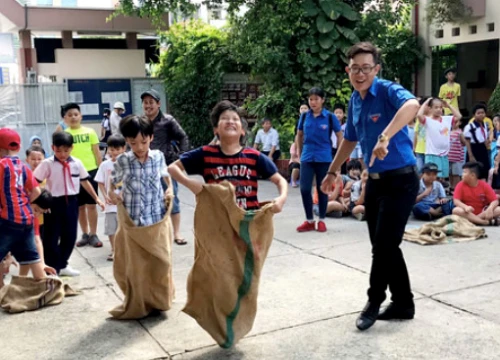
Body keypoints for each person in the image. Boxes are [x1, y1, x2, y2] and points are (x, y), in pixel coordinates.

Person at [321, 42, 420, 331]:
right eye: (355, 68)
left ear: (376, 69)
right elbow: (349, 139)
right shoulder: (354, 100)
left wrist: (386, 136)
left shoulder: (388, 90)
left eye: (366, 68)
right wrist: (332, 171)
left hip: (401, 179)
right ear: (347, 70)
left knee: (384, 246)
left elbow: (412, 105)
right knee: (385, 245)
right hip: (375, 182)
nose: (360, 74)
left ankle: (374, 301)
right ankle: (403, 303)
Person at [168, 100, 287, 214]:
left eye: (235, 119)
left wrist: (281, 199)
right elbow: (172, 168)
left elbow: (280, 180)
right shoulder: (206, 154)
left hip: (248, 224)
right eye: (224, 118)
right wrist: (191, 184)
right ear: (215, 130)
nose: (230, 121)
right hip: (218, 225)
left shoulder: (254, 156)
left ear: (242, 130)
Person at [35, 132, 104, 276]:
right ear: (52, 147)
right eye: (58, 150)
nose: (62, 154)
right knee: (51, 237)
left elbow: (85, 181)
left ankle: (62, 264)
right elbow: (34, 182)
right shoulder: (47, 164)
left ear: (71, 148)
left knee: (70, 236)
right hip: (53, 204)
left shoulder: (76, 163)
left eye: (66, 150)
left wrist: (96, 198)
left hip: (72, 202)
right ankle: (52, 268)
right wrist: (38, 202)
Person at [0, 128, 47, 288]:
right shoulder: (23, 167)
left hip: (7, 219)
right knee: (32, 256)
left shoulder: (1, 166)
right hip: (27, 218)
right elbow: (36, 191)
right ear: (18, 148)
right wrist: (25, 204)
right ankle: (43, 288)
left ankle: (1, 291)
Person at [141, 89, 189, 245]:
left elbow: (183, 137)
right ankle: (156, 233)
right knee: (150, 201)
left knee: (171, 200)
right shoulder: (141, 122)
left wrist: (181, 158)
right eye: (145, 102)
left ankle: (177, 233)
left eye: (151, 102)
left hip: (166, 166)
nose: (148, 106)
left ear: (158, 104)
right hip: (146, 167)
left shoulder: (168, 120)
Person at [109, 115, 173, 226]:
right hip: (132, 218)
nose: (140, 147)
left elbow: (165, 173)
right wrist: (112, 192)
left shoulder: (158, 156)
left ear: (151, 137)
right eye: (133, 143)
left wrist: (170, 187)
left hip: (156, 217)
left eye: (144, 142)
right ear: (126, 140)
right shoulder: (122, 160)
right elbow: (114, 180)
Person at [296, 87, 343, 233]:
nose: (313, 102)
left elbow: (340, 136)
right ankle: (309, 220)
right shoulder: (304, 117)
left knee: (323, 189)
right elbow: (299, 135)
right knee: (304, 189)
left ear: (322, 100)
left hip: (324, 157)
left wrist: (338, 158)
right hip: (307, 157)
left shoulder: (329, 117)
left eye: (316, 99)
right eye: (311, 99)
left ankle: (321, 220)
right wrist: (299, 152)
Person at [62, 103, 103, 248]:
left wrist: (100, 170)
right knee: (79, 207)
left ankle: (93, 234)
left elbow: (97, 153)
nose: (73, 117)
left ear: (81, 116)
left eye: (75, 114)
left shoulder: (90, 132)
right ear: (65, 118)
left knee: (92, 205)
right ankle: (85, 234)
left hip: (91, 171)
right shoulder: (64, 135)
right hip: (72, 174)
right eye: (69, 115)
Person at [95, 134, 126, 261]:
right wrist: (105, 196)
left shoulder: (128, 164)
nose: (115, 152)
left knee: (125, 228)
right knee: (111, 228)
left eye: (118, 149)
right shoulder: (105, 165)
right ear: (108, 149)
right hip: (110, 204)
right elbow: (100, 182)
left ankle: (125, 250)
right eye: (112, 149)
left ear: (123, 149)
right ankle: (114, 250)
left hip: (125, 204)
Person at [417, 97, 462, 181]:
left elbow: (459, 116)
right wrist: (426, 102)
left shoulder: (447, 119)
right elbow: (419, 115)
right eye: (436, 107)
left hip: (444, 154)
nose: (439, 109)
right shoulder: (427, 120)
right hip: (432, 154)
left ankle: (438, 192)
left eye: (440, 107)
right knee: (431, 178)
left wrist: (448, 105)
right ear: (430, 108)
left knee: (441, 178)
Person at [464, 104, 491, 180]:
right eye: (478, 113)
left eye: (482, 113)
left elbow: (484, 135)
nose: (481, 115)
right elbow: (467, 141)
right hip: (473, 148)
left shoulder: (485, 125)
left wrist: (486, 141)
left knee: (484, 169)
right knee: (473, 170)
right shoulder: (470, 126)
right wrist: (471, 155)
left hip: (482, 147)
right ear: (474, 115)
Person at [414, 97, 430, 173]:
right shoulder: (418, 119)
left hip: (429, 150)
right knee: (419, 170)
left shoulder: (433, 118)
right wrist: (414, 148)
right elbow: (416, 133)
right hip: (419, 149)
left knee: (428, 171)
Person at [449, 118, 466, 191]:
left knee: (456, 173)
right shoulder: (447, 131)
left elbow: (464, 142)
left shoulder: (460, 132)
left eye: (456, 122)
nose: (454, 123)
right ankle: (451, 186)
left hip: (457, 157)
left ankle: (457, 188)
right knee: (450, 173)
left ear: (460, 123)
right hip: (449, 156)